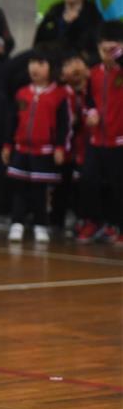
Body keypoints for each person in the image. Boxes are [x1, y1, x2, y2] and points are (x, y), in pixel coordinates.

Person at [1, 47, 71, 243]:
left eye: (41, 64)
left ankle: (41, 224)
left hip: (44, 151)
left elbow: (64, 124)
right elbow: (12, 121)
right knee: (19, 188)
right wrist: (7, 145)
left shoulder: (59, 95)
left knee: (40, 191)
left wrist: (59, 147)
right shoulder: (22, 93)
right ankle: (17, 223)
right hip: (21, 149)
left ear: (51, 68)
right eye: (32, 63)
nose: (35, 68)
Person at [78, 21, 123, 246]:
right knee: (89, 180)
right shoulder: (92, 74)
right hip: (96, 140)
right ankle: (92, 221)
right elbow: (87, 101)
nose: (108, 55)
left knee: (119, 185)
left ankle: (119, 226)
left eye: (113, 50)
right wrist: (91, 113)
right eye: (104, 50)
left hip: (119, 141)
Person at [34, 0, 102, 66]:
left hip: (78, 68)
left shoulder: (93, 15)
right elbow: (38, 42)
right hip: (48, 66)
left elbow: (95, 51)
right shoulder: (54, 11)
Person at [56, 49, 89, 236]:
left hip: (94, 147)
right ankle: (66, 219)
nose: (74, 66)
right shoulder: (62, 94)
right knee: (66, 186)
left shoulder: (96, 88)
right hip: (70, 150)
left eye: (77, 60)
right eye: (68, 64)